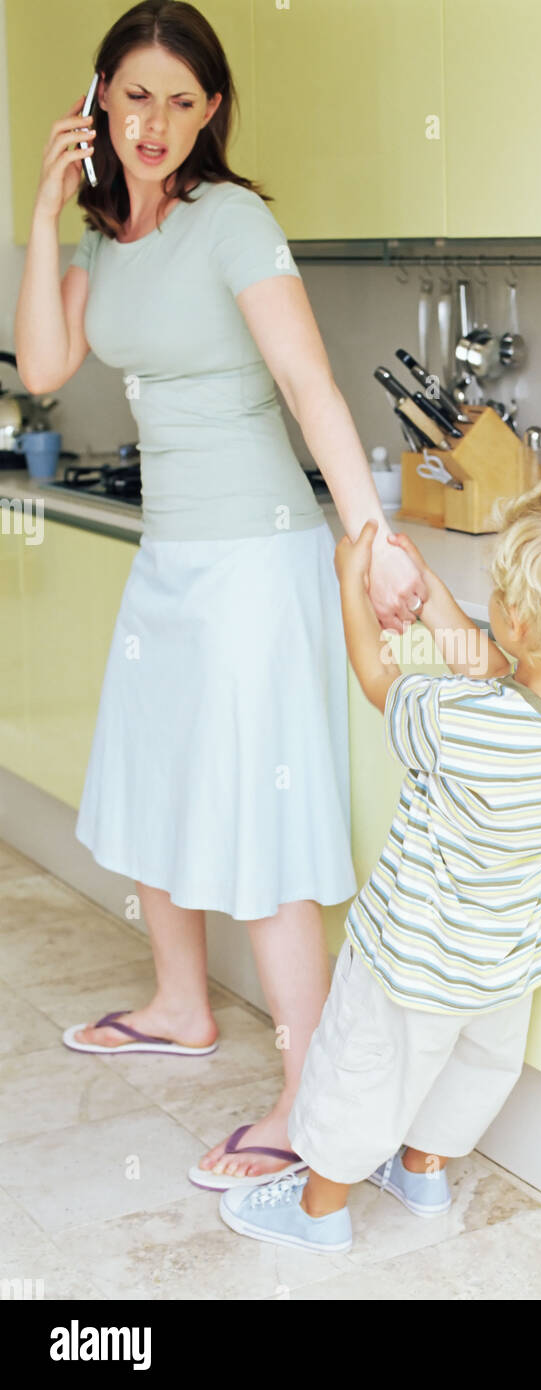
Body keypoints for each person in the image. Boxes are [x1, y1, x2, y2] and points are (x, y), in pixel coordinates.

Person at [13, 0, 426, 1190]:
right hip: (173, 552)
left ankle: (304, 1093)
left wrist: (371, 534)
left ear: (213, 114)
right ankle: (182, 1003)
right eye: (135, 96)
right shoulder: (103, 239)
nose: (155, 125)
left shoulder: (233, 220)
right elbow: (43, 364)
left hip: (256, 554)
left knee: (260, 807)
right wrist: (45, 212)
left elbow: (311, 388)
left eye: (182, 103)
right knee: (151, 771)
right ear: (99, 98)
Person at [217, 478, 541, 1252]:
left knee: (362, 1067)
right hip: (504, 951)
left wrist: (350, 592)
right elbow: (502, 670)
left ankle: (319, 1210)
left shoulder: (454, 721)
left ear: (516, 620)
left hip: (413, 949)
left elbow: (377, 680)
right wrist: (429, 602)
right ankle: (421, 1169)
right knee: (474, 1065)